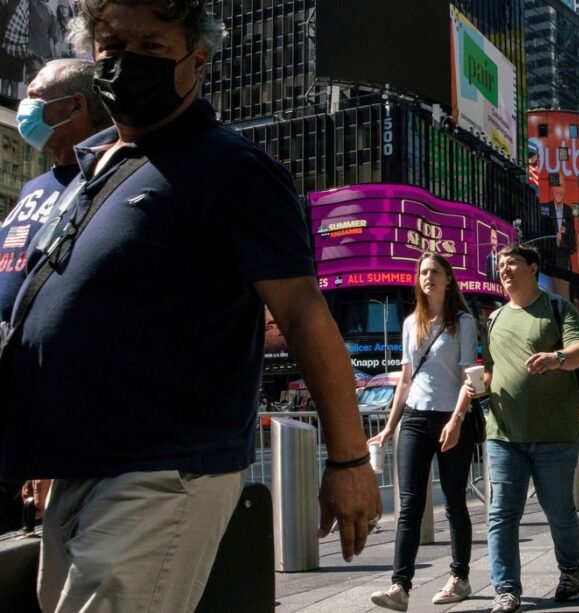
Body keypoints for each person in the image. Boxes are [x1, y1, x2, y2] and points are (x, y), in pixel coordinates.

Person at [0, 3, 381, 610]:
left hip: (161, 473)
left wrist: (349, 460)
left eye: (150, 46)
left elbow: (305, 313)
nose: (126, 62)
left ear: (197, 61)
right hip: (79, 471)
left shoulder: (230, 167)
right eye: (110, 45)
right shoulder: (99, 168)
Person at [0, 58, 111, 534]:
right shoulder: (34, 185)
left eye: (36, 99)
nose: (26, 108)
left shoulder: (105, 177)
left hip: (53, 396)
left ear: (75, 106)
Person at [472, 243, 579, 613]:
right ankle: (505, 589)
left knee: (559, 511)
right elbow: (491, 368)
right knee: (501, 514)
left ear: (532, 268)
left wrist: (556, 358)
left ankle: (571, 569)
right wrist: (478, 384)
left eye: (512, 264)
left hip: (555, 432)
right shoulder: (493, 319)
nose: (504, 270)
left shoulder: (557, 307)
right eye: (501, 265)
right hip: (504, 433)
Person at [367, 253, 479, 611]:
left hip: (451, 417)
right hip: (415, 418)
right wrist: (389, 426)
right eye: (423, 272)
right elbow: (404, 380)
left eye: (434, 272)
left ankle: (459, 578)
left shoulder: (463, 321)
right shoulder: (410, 322)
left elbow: (469, 379)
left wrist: (457, 419)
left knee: (454, 502)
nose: (427, 277)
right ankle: (400, 587)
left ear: (449, 279)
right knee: (410, 506)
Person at [539, 176, 575, 270]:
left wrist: (563, 239)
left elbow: (573, 247)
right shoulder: (544, 209)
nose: (559, 190)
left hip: (563, 268)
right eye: (556, 186)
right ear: (552, 188)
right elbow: (541, 240)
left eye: (561, 186)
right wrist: (556, 241)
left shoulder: (569, 212)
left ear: (565, 188)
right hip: (547, 265)